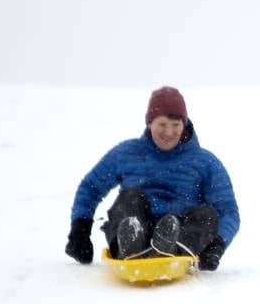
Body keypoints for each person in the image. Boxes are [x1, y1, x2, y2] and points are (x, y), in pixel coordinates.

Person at [65, 86, 240, 271]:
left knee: (207, 215)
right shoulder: (128, 153)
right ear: (149, 123)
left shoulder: (206, 162)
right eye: (162, 124)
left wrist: (217, 245)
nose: (169, 132)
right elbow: (90, 187)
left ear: (185, 124)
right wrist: (80, 230)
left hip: (181, 231)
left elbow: (228, 210)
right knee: (131, 197)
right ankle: (131, 241)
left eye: (175, 125)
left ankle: (173, 247)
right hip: (136, 222)